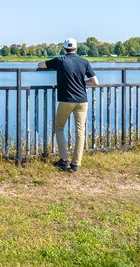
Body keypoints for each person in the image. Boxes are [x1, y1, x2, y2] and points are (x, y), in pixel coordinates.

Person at [38, 38, 99, 172]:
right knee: (80, 131)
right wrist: (83, 84)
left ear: (64, 49)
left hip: (66, 100)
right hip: (82, 101)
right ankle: (76, 164)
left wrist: (40, 63)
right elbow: (95, 82)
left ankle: (63, 160)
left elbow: (41, 64)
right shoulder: (84, 62)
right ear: (76, 49)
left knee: (59, 127)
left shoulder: (59, 61)